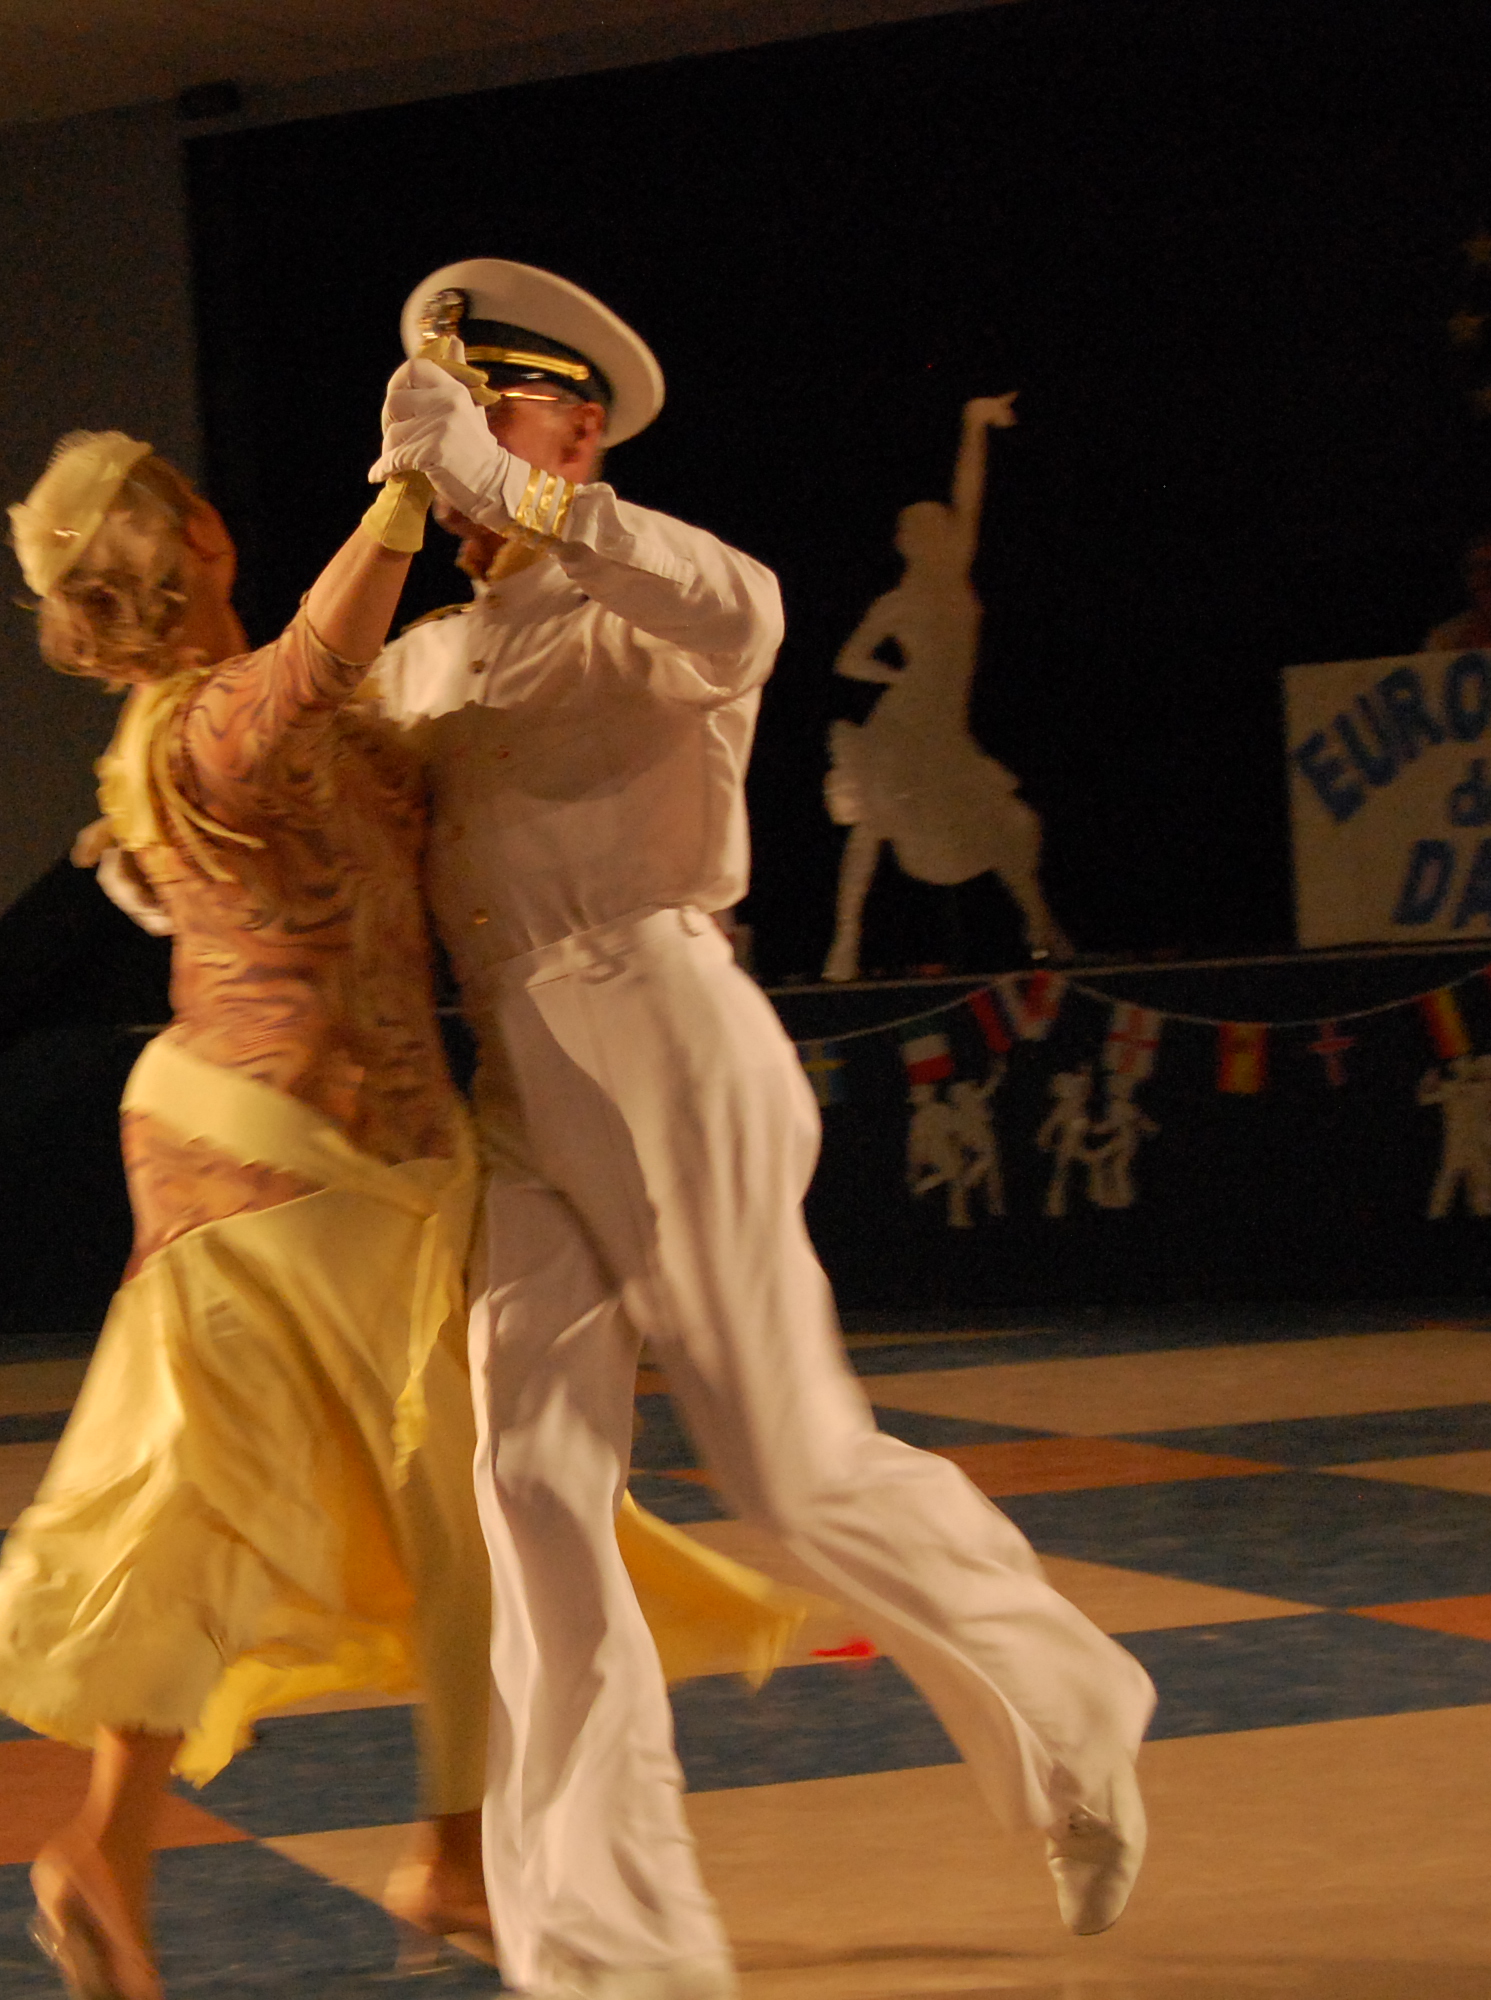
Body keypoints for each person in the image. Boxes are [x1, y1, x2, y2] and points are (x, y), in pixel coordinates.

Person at [367, 258, 1158, 2000]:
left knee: (788, 1465)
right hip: (514, 1072)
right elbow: (310, 777)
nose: (453, 457)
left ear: (575, 430)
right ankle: (609, 1938)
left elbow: (738, 609)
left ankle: (1070, 1710)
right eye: (442, 422)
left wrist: (512, 493)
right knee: (527, 1483)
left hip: (662, 1025)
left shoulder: (664, 596)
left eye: (494, 415)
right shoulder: (426, 660)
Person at [0, 429, 486, 2000]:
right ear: (197, 540)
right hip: (316, 1152)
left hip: (248, 1145)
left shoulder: (154, 739)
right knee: (459, 1505)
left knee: (211, 1504)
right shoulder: (223, 716)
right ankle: (452, 1853)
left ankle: (112, 1849)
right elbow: (319, 660)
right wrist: (407, 489)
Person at [822, 394, 1072, 980]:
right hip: (904, 723)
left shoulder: (955, 577)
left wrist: (973, 424)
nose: (938, 531)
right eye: (923, 526)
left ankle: (1041, 926)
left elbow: (970, 493)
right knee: (875, 820)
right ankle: (846, 941)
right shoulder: (897, 603)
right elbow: (849, 660)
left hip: (944, 727)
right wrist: (898, 676)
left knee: (1002, 821)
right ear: (905, 540)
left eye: (940, 525)